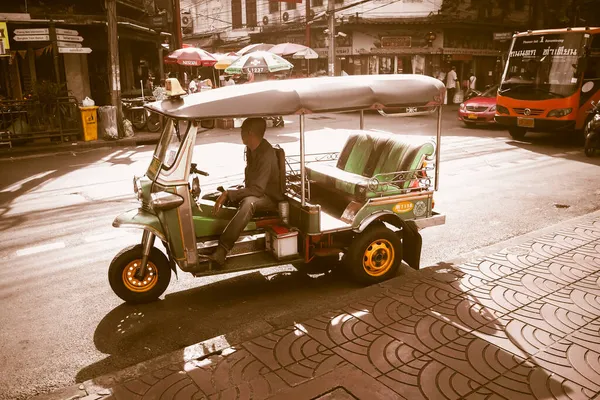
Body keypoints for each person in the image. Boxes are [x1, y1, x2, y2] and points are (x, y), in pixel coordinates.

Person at [206, 118, 284, 267]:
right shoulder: (251, 148)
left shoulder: (266, 154)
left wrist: (229, 194)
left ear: (249, 133)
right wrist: (228, 192)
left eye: (242, 130)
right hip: (255, 190)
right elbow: (250, 182)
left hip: (268, 197)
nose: (240, 133)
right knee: (210, 196)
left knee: (248, 203)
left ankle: (222, 250)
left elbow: (258, 190)